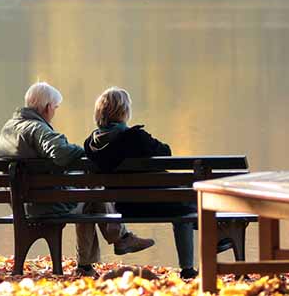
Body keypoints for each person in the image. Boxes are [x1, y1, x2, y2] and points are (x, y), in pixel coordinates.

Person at [0, 82, 155, 276]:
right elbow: (60, 153)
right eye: (54, 108)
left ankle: (88, 265)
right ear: (47, 107)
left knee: (87, 194)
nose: (54, 112)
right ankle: (119, 239)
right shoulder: (37, 128)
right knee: (92, 195)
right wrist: (83, 151)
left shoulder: (9, 128)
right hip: (46, 204)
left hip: (21, 204)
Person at [83, 87, 210, 280]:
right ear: (124, 112)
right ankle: (188, 268)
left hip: (124, 207)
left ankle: (216, 235)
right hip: (156, 204)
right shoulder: (135, 138)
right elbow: (165, 152)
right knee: (185, 203)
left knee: (184, 198)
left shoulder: (91, 144)